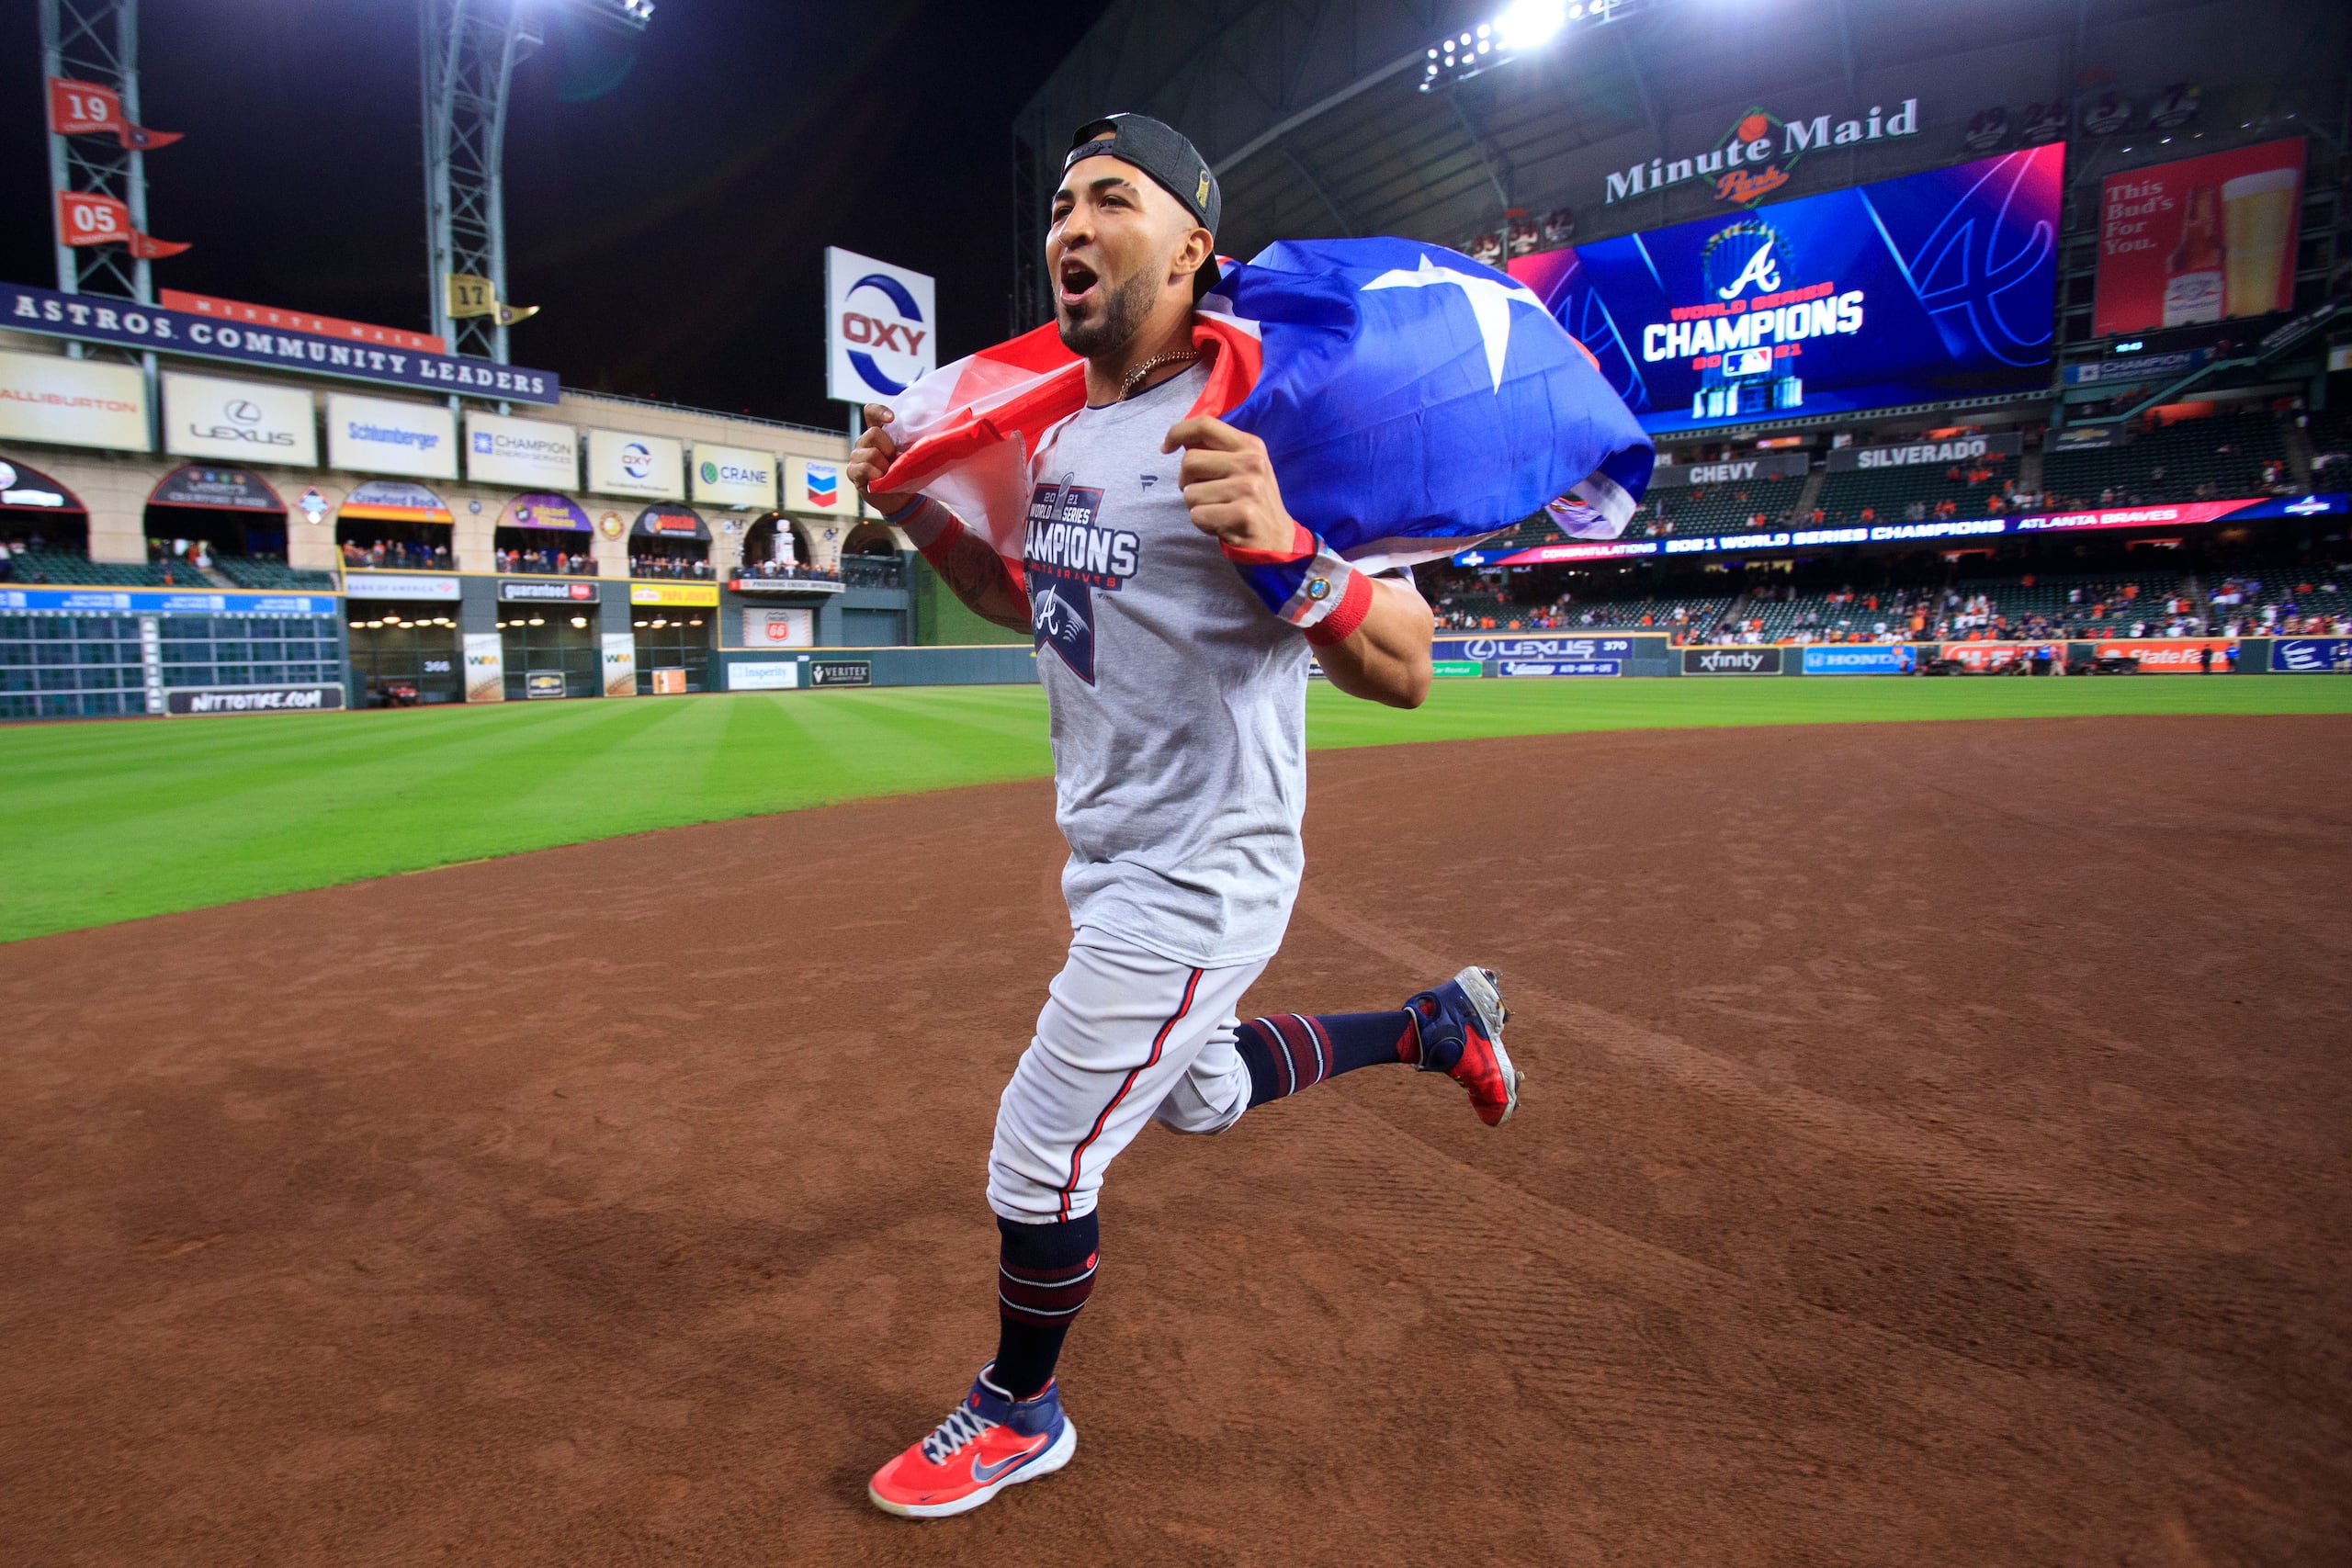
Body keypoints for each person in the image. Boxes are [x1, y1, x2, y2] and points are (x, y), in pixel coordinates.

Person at [847, 113, 1521, 1520]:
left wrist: (1289, 552)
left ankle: (1021, 1410)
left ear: (1193, 249)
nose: (1071, 228)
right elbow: (1031, 599)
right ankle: (1433, 1023)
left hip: (1206, 872)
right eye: (1060, 206)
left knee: (1039, 1148)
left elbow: (1407, 662)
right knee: (1203, 1092)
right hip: (1110, 856)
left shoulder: (1259, 412)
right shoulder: (1065, 430)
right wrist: (919, 515)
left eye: (1112, 200)